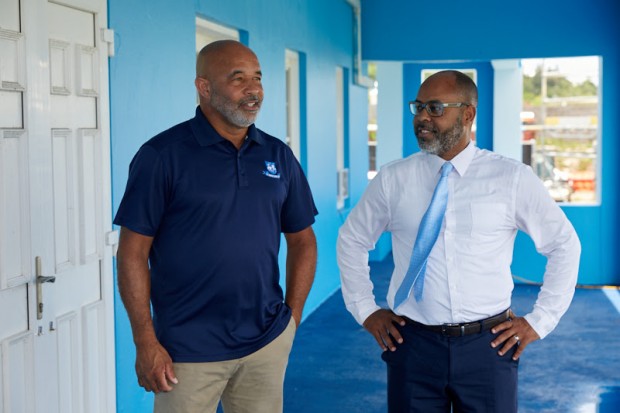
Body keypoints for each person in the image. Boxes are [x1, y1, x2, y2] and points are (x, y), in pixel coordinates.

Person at [337, 70, 580, 412]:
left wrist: (540, 321)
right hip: (412, 345)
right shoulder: (393, 179)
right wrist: (365, 310)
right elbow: (352, 239)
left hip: (489, 347)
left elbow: (564, 244)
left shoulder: (510, 178)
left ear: (468, 114)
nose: (422, 117)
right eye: (418, 107)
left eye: (435, 108)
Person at [115, 40, 318, 413]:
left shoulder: (278, 155)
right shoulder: (162, 156)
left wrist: (292, 317)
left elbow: (303, 240)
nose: (254, 90)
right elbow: (132, 252)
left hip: (265, 341)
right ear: (204, 87)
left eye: (257, 78)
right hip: (186, 349)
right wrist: (145, 340)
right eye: (238, 79)